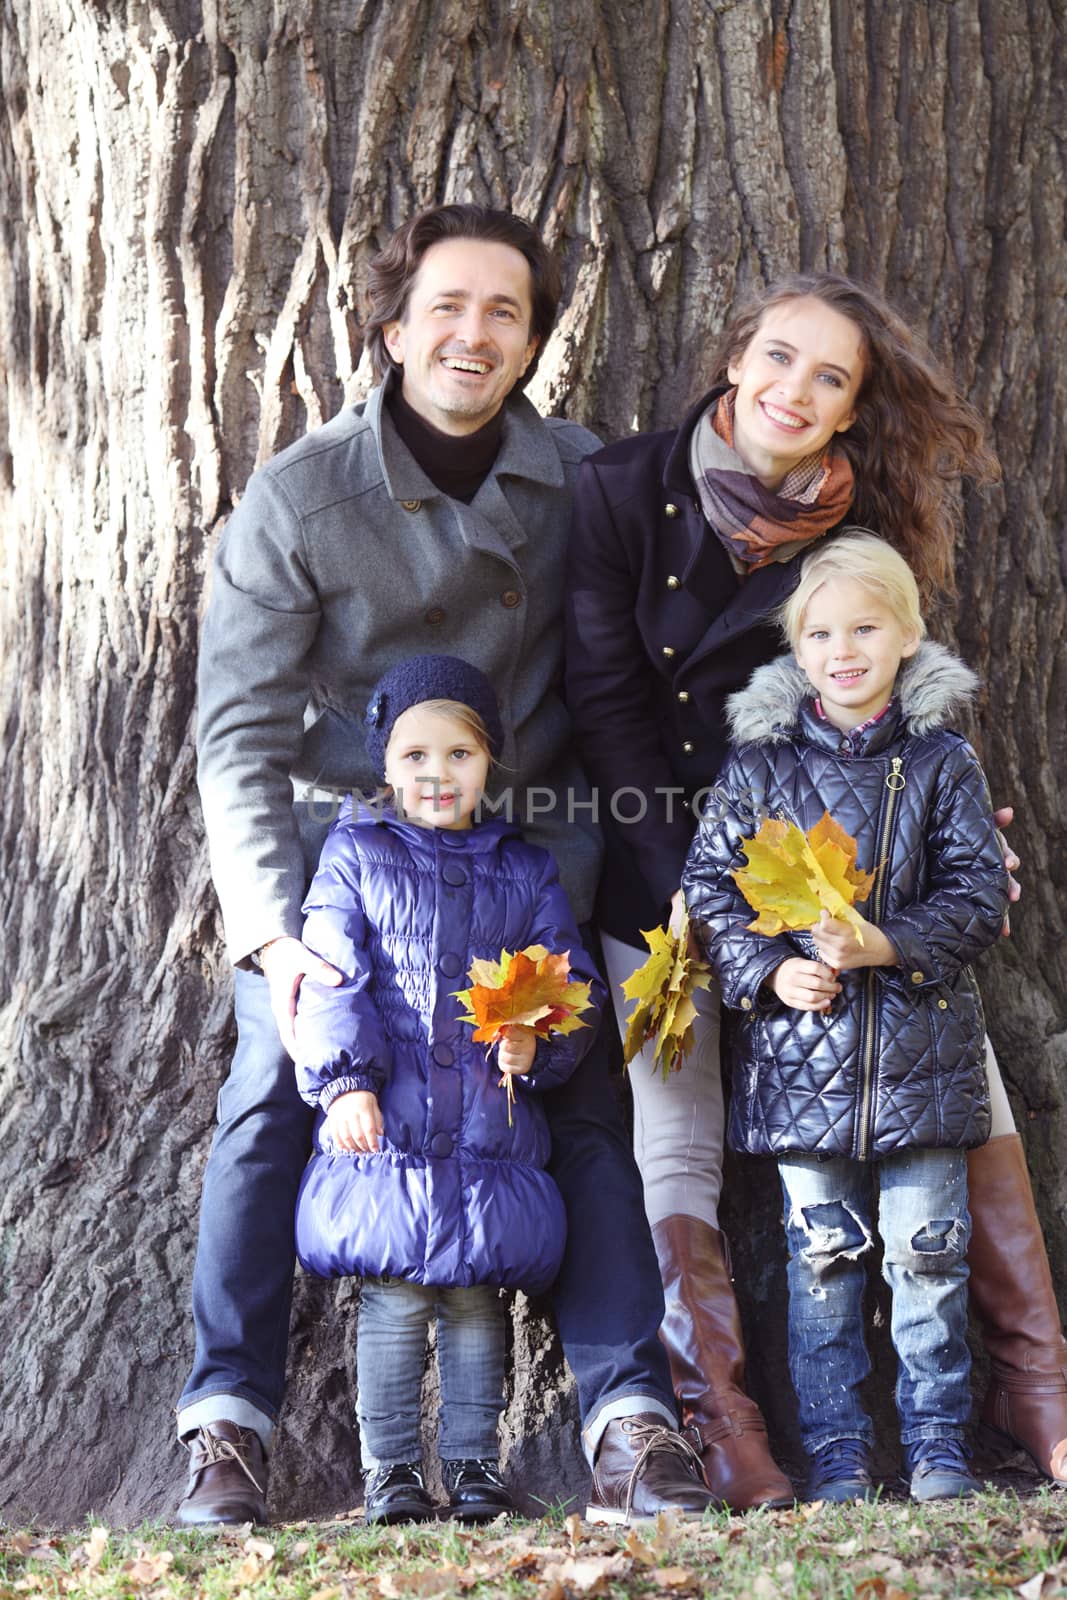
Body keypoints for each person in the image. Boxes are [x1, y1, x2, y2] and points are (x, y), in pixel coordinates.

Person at [178, 204, 717, 1528]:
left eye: (503, 313)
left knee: (581, 1107)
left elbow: (686, 663)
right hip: (344, 868)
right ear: (391, 321)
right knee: (269, 1089)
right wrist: (274, 939)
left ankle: (626, 1419)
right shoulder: (303, 496)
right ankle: (226, 1424)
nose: (471, 334)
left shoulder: (589, 476)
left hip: (532, 847)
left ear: (532, 339)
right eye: (446, 305)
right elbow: (236, 741)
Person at [565, 271, 1067, 1504]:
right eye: (779, 358)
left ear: (851, 411)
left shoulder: (863, 532)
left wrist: (942, 837)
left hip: (849, 876)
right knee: (669, 1123)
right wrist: (718, 895)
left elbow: (891, 708)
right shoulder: (619, 488)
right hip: (669, 868)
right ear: (735, 357)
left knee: (960, 1078)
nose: (795, 391)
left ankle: (1034, 1383)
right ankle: (719, 1419)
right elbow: (608, 700)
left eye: (830, 377)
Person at [682, 532, 1009, 1501]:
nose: (842, 649)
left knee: (926, 1259)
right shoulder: (758, 769)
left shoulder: (941, 762)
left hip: (921, 1059)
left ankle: (936, 1440)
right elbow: (709, 888)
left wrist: (885, 944)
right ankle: (835, 1449)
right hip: (801, 1066)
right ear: (795, 647)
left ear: (905, 634)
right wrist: (769, 971)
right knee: (819, 1264)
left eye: (863, 626)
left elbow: (977, 892)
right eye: (819, 632)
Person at [292, 655, 605, 1523]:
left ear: (488, 763)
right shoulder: (355, 853)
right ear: (385, 765)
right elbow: (330, 976)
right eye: (416, 756)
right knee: (392, 1301)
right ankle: (389, 1469)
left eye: (458, 756)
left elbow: (565, 979)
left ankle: (473, 1463)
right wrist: (345, 1081)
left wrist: (534, 1046)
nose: (437, 774)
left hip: (487, 1134)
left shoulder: (525, 869)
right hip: (386, 1126)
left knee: (475, 1304)